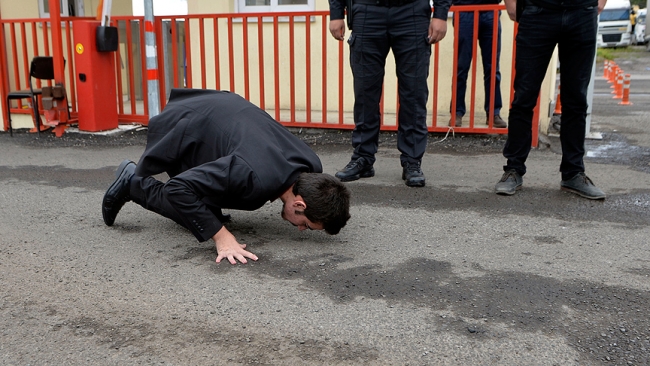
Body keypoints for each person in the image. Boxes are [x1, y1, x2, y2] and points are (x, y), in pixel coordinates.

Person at [102, 89, 351, 265]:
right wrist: (222, 236)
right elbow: (178, 188)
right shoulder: (254, 180)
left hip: (216, 107)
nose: (300, 229)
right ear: (299, 204)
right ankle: (132, 181)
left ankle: (208, 204)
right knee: (192, 209)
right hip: (189, 123)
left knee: (210, 207)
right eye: (305, 224)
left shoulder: (310, 165)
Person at [328, 0, 451, 187]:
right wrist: (336, 13)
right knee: (365, 93)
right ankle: (363, 157)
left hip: (412, 12)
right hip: (367, 13)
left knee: (414, 93)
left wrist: (441, 14)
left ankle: (412, 160)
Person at [495, 0, 608, 199]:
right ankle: (513, 169)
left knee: (576, 99)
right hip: (538, 10)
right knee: (524, 96)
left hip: (582, 10)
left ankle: (573, 173)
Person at [449, 0, 507, 129]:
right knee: (461, 66)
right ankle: (456, 113)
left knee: (492, 67)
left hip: (490, 9)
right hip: (464, 9)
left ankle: (493, 113)